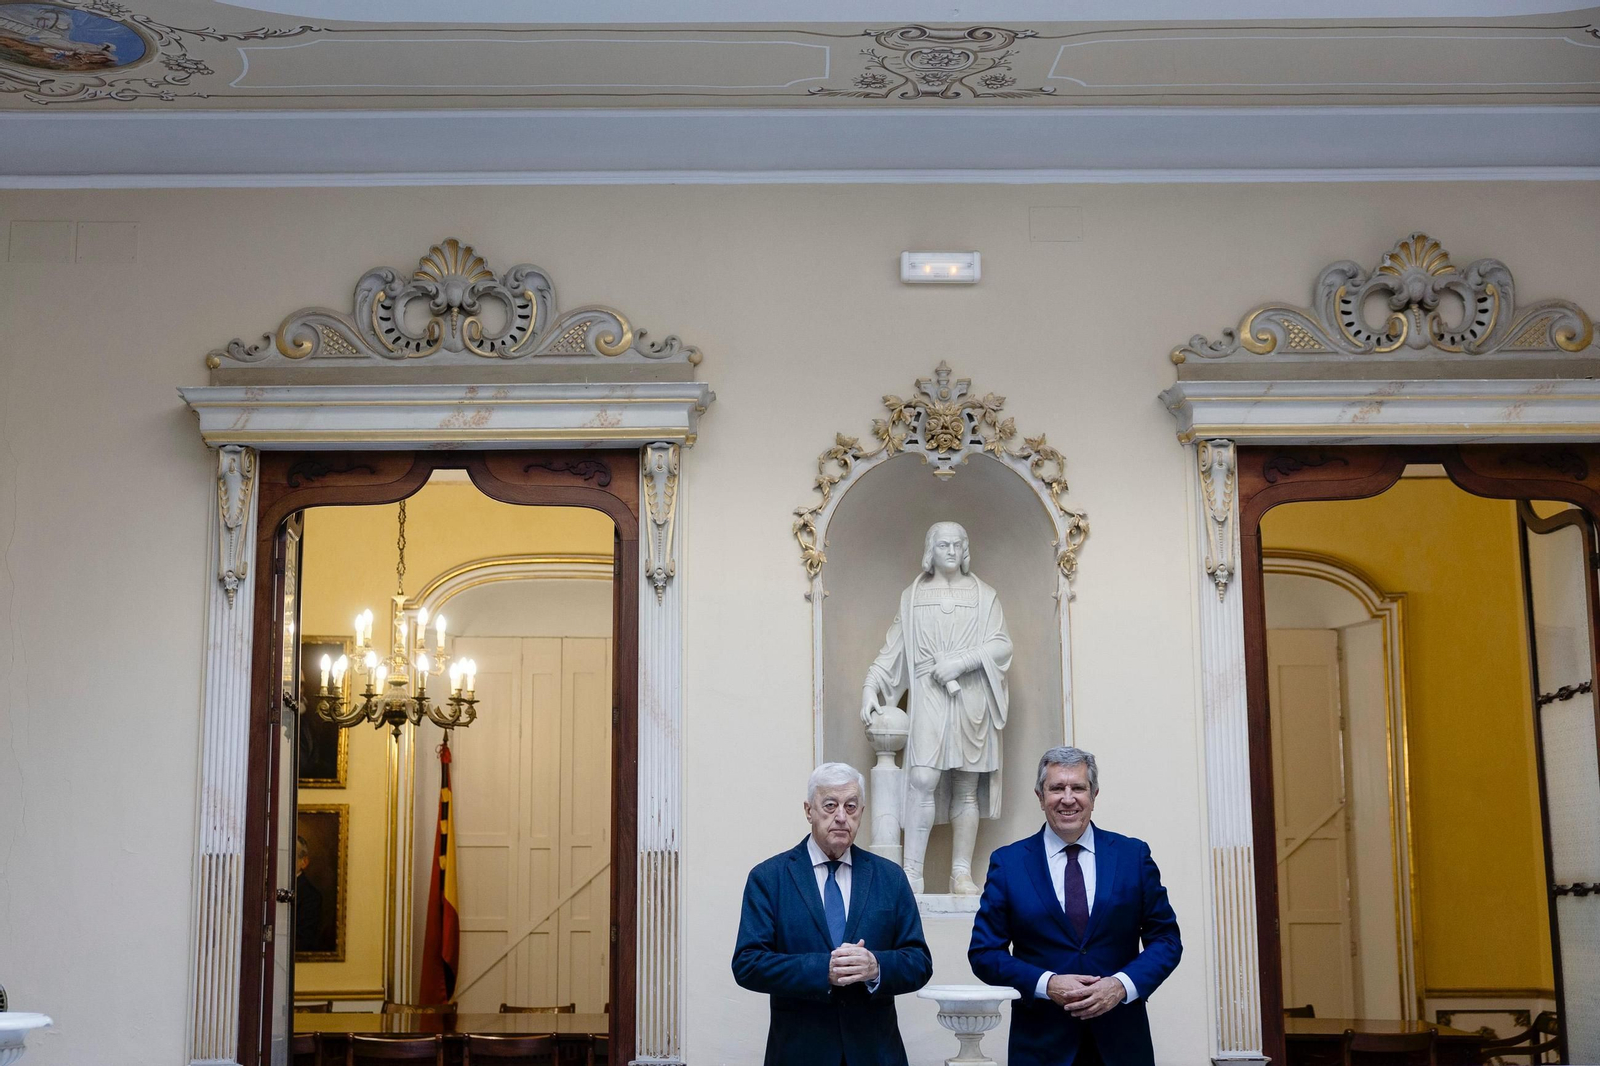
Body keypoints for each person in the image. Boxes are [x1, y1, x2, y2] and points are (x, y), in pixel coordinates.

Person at [969, 747, 1181, 1066]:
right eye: (1057, 788)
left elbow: (1166, 940)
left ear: (1093, 795)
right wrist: (1047, 983)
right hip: (1040, 1047)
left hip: (1122, 1044)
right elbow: (984, 953)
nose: (1068, 799)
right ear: (1040, 797)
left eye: (1078, 788)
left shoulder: (1132, 857)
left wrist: (1121, 986)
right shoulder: (1009, 864)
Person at [732, 762, 934, 1066]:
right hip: (799, 1052)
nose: (842, 816)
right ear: (808, 810)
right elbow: (748, 963)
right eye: (830, 805)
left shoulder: (889, 877)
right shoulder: (769, 878)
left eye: (851, 806)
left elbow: (919, 961)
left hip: (876, 1052)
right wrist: (821, 970)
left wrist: (876, 966)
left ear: (862, 812)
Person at [860, 520, 1012, 895]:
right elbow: (894, 650)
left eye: (957, 544)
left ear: (965, 550)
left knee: (966, 786)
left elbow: (1001, 646)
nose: (950, 550)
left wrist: (962, 662)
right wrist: (870, 686)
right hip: (929, 695)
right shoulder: (912, 597)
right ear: (931, 550)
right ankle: (912, 873)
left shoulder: (984, 595)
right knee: (922, 779)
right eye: (942, 544)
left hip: (971, 696)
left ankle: (960, 873)